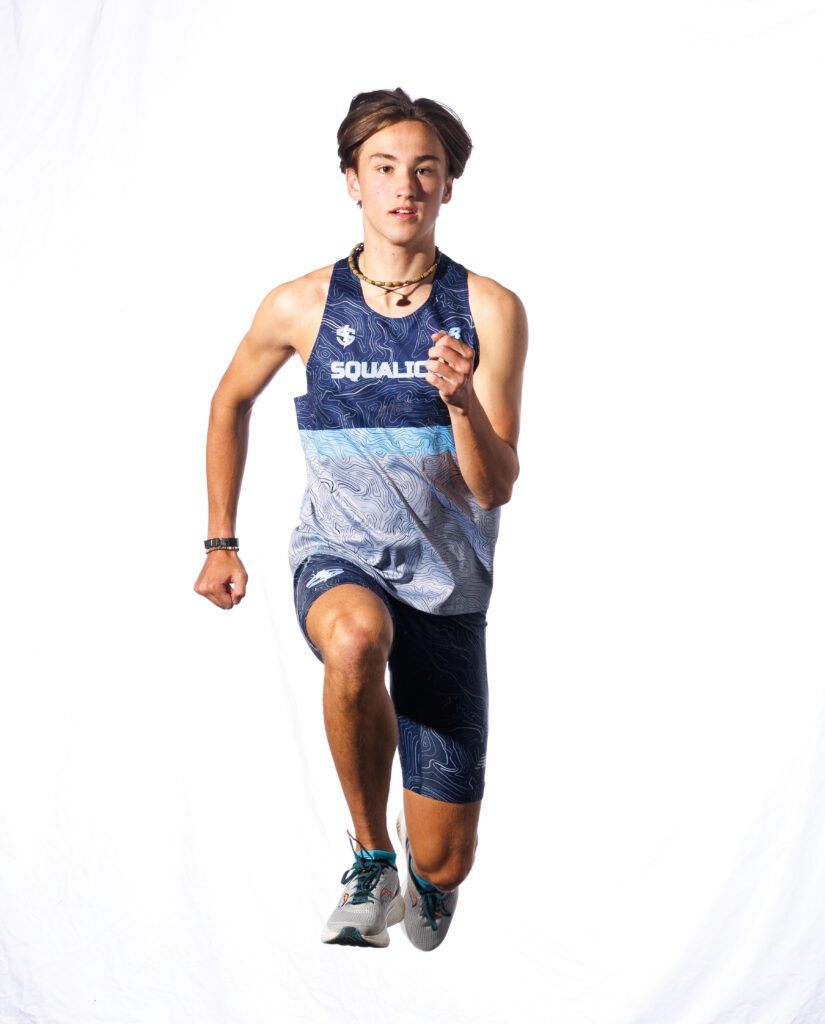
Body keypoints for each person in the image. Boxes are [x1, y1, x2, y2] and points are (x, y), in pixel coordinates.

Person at [193, 87, 528, 951]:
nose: (404, 187)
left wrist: (460, 403)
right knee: (352, 640)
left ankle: (422, 874)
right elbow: (230, 401)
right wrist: (220, 539)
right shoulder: (301, 304)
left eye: (424, 170)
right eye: (383, 168)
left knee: (449, 863)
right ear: (351, 181)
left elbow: (493, 487)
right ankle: (372, 858)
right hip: (339, 557)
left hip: (448, 590)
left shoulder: (487, 310)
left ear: (448, 185)